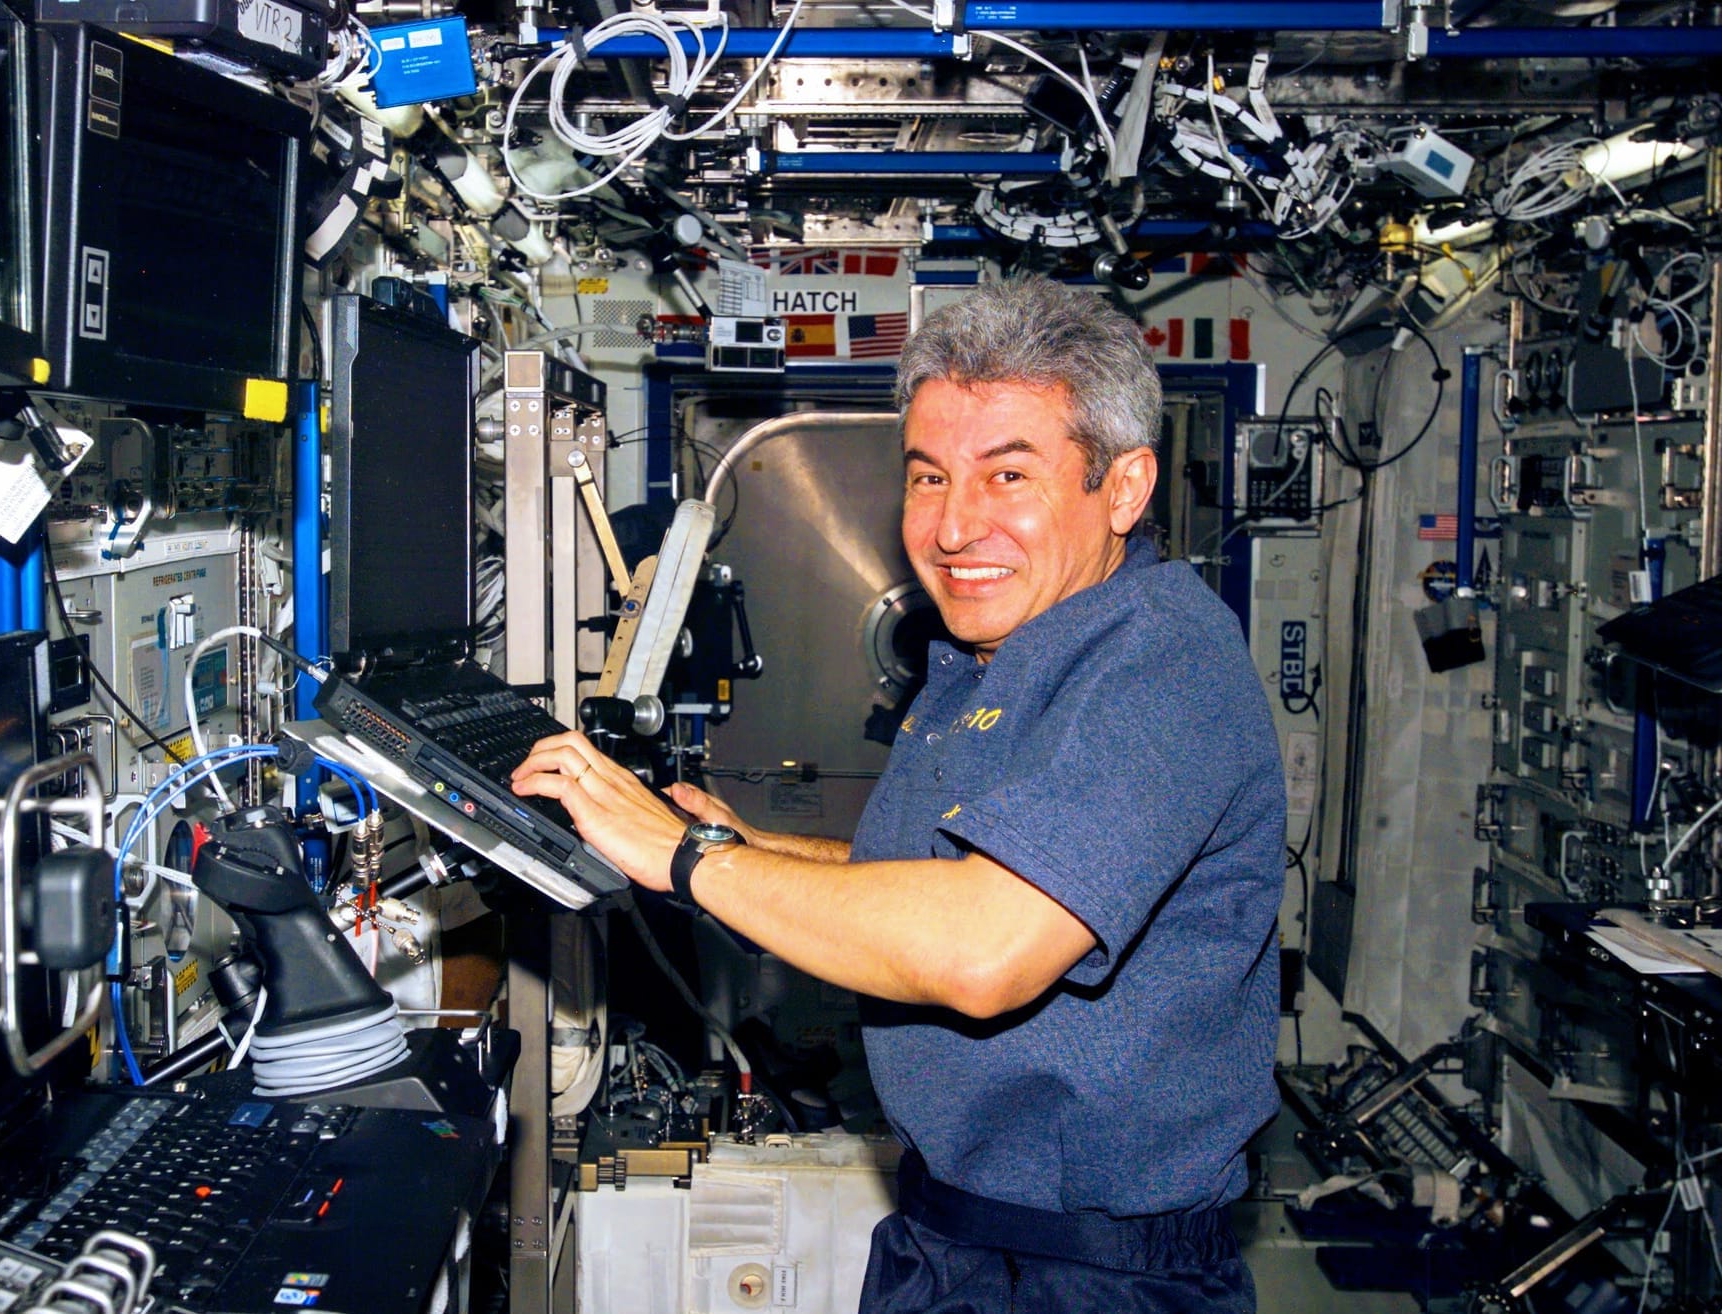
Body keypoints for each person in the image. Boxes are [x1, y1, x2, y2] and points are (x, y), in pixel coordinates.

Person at [511, 276, 1284, 1313]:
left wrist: (691, 864)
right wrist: (746, 846)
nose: (953, 527)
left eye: (1006, 476)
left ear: (1124, 487)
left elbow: (981, 950)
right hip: (950, 1239)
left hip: (1090, 1276)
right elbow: (932, 881)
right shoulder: (987, 657)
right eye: (926, 478)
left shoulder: (1159, 659)